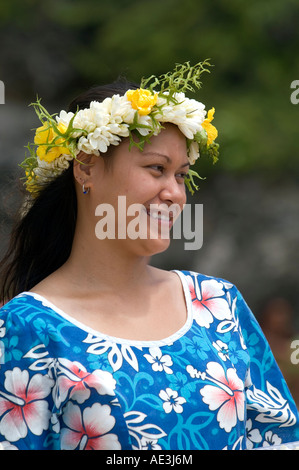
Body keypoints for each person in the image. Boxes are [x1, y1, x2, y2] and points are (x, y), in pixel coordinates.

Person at [0, 62, 298, 451]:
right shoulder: (27, 328)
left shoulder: (218, 305)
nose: (175, 193)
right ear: (86, 167)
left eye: (181, 175)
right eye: (156, 168)